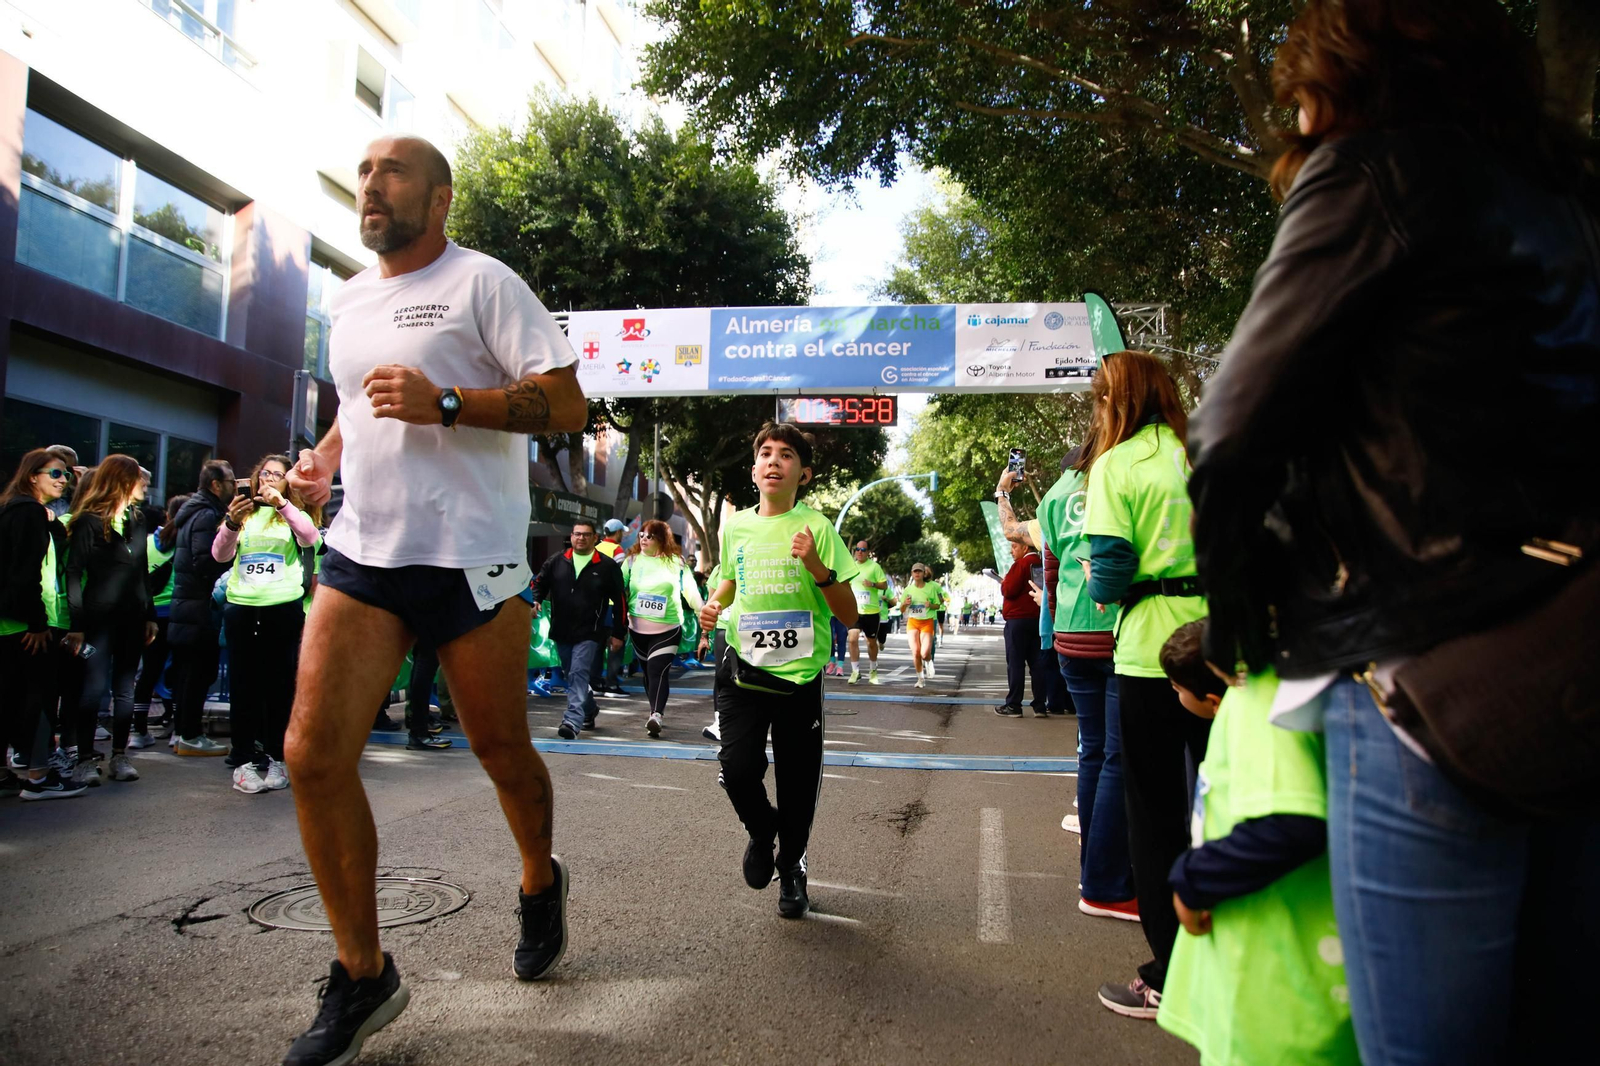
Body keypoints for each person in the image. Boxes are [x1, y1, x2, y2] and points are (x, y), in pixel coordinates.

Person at [1187, 3, 1600, 1060]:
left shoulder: (1371, 172)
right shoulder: (1570, 196)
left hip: (1424, 674)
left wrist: (1243, 621)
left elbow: (1229, 435)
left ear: (1342, 81)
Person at [280, 134, 588, 1066]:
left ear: (440, 198)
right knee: (311, 753)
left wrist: (448, 404)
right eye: (364, 172)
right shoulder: (348, 296)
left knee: (501, 749)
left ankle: (539, 876)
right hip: (365, 550)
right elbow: (356, 403)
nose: (371, 185)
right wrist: (323, 461)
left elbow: (568, 406)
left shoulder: (483, 282)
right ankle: (363, 971)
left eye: (393, 172)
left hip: (473, 560)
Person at [1155, 621, 1357, 1061]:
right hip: (1269, 976)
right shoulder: (1267, 690)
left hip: (1277, 990)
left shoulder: (1254, 701)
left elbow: (1291, 822)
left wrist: (1192, 879)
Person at [1082, 350, 1208, 1018]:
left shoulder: (1117, 465)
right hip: (1226, 643)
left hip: (1151, 650)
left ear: (1117, 401)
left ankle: (1169, 974)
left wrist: (1108, 590)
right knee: (1228, 800)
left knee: (1155, 814)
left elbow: (1108, 566)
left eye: (1100, 400)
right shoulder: (1203, 450)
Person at [700, 423, 858, 919]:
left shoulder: (819, 530)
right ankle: (761, 830)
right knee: (737, 769)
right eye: (765, 453)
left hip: (798, 681)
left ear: (803, 474)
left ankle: (791, 866)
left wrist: (818, 568)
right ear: (753, 470)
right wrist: (712, 603)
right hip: (742, 670)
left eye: (786, 455)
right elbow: (730, 579)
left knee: (796, 784)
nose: (774, 461)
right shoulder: (737, 526)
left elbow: (850, 615)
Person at [1010, 448, 1132, 919]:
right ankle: (1111, 880)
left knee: (1094, 750)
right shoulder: (1119, 478)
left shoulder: (1054, 499)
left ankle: (1093, 868)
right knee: (1121, 756)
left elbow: (1053, 568)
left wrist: (1055, 633)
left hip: (1072, 635)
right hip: (1118, 631)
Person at [211, 455, 322, 794]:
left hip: (281, 607)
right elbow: (219, 555)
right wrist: (231, 522)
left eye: (277, 475)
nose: (270, 480)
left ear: (287, 482)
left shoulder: (292, 515)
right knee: (244, 688)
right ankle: (243, 762)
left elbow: (310, 538)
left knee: (278, 688)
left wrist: (283, 505)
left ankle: (276, 758)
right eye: (265, 474)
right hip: (242, 607)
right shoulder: (243, 515)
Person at [63, 455, 158, 784]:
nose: (145, 485)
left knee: (125, 688)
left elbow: (142, 571)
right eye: (139, 479)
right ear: (123, 481)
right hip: (95, 622)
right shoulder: (89, 521)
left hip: (132, 620)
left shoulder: (138, 518)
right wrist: (76, 625)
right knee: (92, 687)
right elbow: (73, 573)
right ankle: (85, 759)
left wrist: (150, 616)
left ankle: (120, 755)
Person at [0, 448, 87, 799]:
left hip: (13, 622)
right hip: (26, 625)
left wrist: (51, 522)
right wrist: (37, 623)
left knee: (10, 698)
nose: (63, 479)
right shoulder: (28, 512)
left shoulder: (19, 510)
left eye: (66, 474)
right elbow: (25, 573)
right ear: (32, 475)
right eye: (55, 473)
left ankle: (12, 772)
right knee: (36, 699)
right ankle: (39, 775)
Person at [531, 518, 626, 739]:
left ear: (595, 538)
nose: (581, 538)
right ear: (571, 537)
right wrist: (535, 600)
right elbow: (539, 583)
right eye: (577, 534)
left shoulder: (606, 565)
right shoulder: (557, 561)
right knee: (571, 674)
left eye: (586, 534)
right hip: (562, 630)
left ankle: (572, 720)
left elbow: (620, 601)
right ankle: (589, 708)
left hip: (591, 632)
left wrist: (619, 633)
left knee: (578, 672)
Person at [166, 461, 235, 757]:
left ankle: (182, 731)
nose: (235, 486)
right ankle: (190, 735)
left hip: (186, 605)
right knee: (197, 674)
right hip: (199, 606)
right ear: (215, 485)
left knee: (188, 674)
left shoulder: (191, 513)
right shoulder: (208, 515)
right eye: (231, 481)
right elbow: (205, 561)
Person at [620, 518, 703, 736]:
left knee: (658, 669)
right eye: (642, 535)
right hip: (637, 628)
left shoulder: (676, 562)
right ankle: (653, 709)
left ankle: (656, 714)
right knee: (649, 673)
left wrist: (702, 610)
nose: (644, 539)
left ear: (662, 539)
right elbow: (617, 590)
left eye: (650, 536)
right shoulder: (631, 561)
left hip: (668, 628)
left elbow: (690, 590)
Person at [128, 492, 185, 748]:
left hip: (148, 616)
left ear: (167, 514)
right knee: (181, 672)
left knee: (148, 673)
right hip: (178, 615)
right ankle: (178, 728)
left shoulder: (148, 541)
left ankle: (138, 731)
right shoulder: (187, 541)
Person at [995, 539, 1048, 718]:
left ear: (1025, 547)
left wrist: (1003, 582)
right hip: (1038, 618)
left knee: (1016, 663)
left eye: (1014, 546)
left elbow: (1009, 589)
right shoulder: (1041, 563)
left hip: (1018, 620)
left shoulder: (1021, 564)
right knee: (1037, 664)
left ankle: (1014, 705)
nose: (1012, 551)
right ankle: (1040, 705)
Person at [845, 540, 888, 684]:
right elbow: (846, 584)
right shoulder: (850, 567)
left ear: (868, 552)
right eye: (857, 549)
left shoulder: (874, 567)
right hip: (854, 610)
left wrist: (873, 584)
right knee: (852, 638)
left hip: (871, 611)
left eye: (863, 549)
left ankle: (873, 670)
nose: (860, 552)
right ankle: (855, 671)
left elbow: (884, 584)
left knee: (871, 643)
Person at [592, 517, 627, 694]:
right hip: (614, 604)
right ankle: (612, 684)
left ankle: (596, 683)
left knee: (597, 644)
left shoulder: (595, 548)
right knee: (616, 644)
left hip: (598, 603)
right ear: (618, 532)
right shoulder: (617, 550)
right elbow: (621, 577)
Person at [895, 563, 940, 688]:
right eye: (915, 571)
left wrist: (930, 605)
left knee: (924, 653)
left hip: (927, 622)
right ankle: (920, 679)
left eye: (919, 571)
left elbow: (938, 605)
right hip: (913, 622)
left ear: (923, 573)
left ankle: (929, 661)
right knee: (915, 652)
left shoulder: (930, 588)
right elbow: (901, 609)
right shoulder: (908, 589)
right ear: (912, 573)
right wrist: (905, 603)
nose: (917, 573)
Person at [43, 445, 78, 520]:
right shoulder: (24, 504)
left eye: (69, 471)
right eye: (57, 472)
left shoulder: (76, 499)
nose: (63, 478)